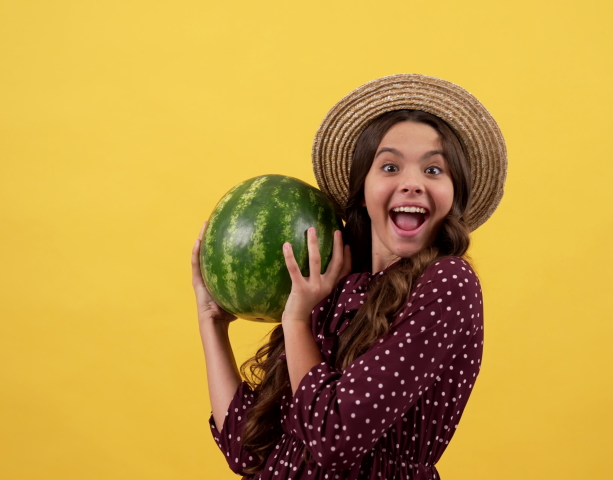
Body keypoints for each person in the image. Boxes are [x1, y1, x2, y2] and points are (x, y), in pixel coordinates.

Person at [191, 74, 507, 479]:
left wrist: (296, 319)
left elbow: (333, 438)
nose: (412, 184)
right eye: (390, 166)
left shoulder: (447, 284)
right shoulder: (331, 283)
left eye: (434, 170)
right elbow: (246, 450)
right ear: (362, 189)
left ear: (453, 193)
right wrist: (211, 322)